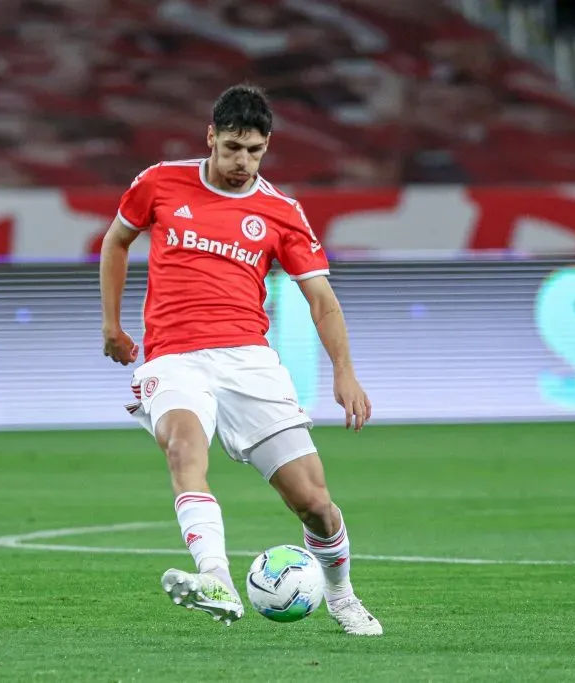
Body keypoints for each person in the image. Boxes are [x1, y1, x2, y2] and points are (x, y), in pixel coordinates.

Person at [98, 84, 382, 636]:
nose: (241, 162)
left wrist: (344, 372)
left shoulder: (280, 212)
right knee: (184, 449)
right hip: (173, 358)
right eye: (231, 148)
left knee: (315, 503)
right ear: (210, 137)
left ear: (266, 146)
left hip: (249, 362)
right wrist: (112, 325)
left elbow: (320, 299)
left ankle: (342, 596)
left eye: (253, 151)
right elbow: (116, 241)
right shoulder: (159, 182)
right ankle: (215, 579)